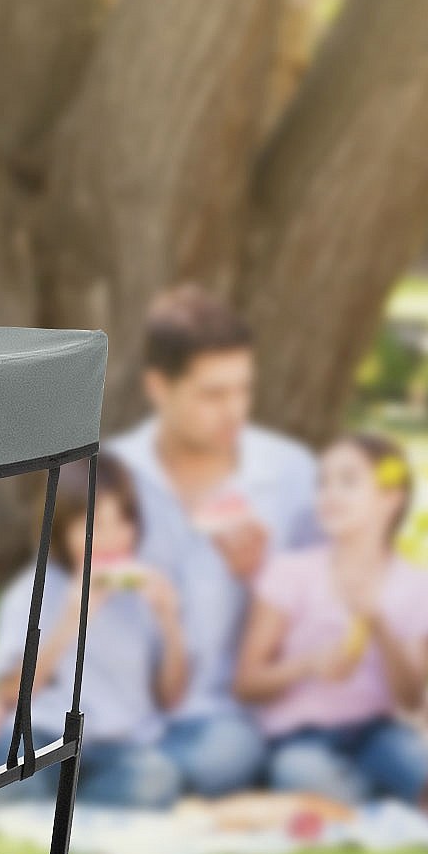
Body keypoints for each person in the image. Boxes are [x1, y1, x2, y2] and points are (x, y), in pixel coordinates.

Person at [106, 286, 320, 796]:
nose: (234, 412)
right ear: (159, 387)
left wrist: (263, 578)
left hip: (224, 716)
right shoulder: (110, 474)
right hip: (114, 704)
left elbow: (324, 621)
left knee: (214, 761)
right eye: (212, 395)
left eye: (243, 391)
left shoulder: (290, 474)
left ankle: (127, 783)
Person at [0, 455, 189, 811]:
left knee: (155, 779)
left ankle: (44, 802)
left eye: (123, 521)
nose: (113, 538)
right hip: (45, 739)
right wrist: (72, 618)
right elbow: (10, 691)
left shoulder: (144, 595)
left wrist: (170, 622)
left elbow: (170, 698)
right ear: (63, 529)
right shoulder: (35, 592)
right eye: (96, 525)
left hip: (121, 749)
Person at [233, 432, 428, 806]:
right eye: (323, 483)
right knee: (300, 771)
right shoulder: (290, 572)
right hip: (301, 737)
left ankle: (363, 804)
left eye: (348, 481)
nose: (329, 494)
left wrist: (380, 626)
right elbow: (246, 685)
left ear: (391, 498)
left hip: (378, 731)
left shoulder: (419, 586)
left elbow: (413, 700)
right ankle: (377, 806)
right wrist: (308, 665)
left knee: (422, 765)